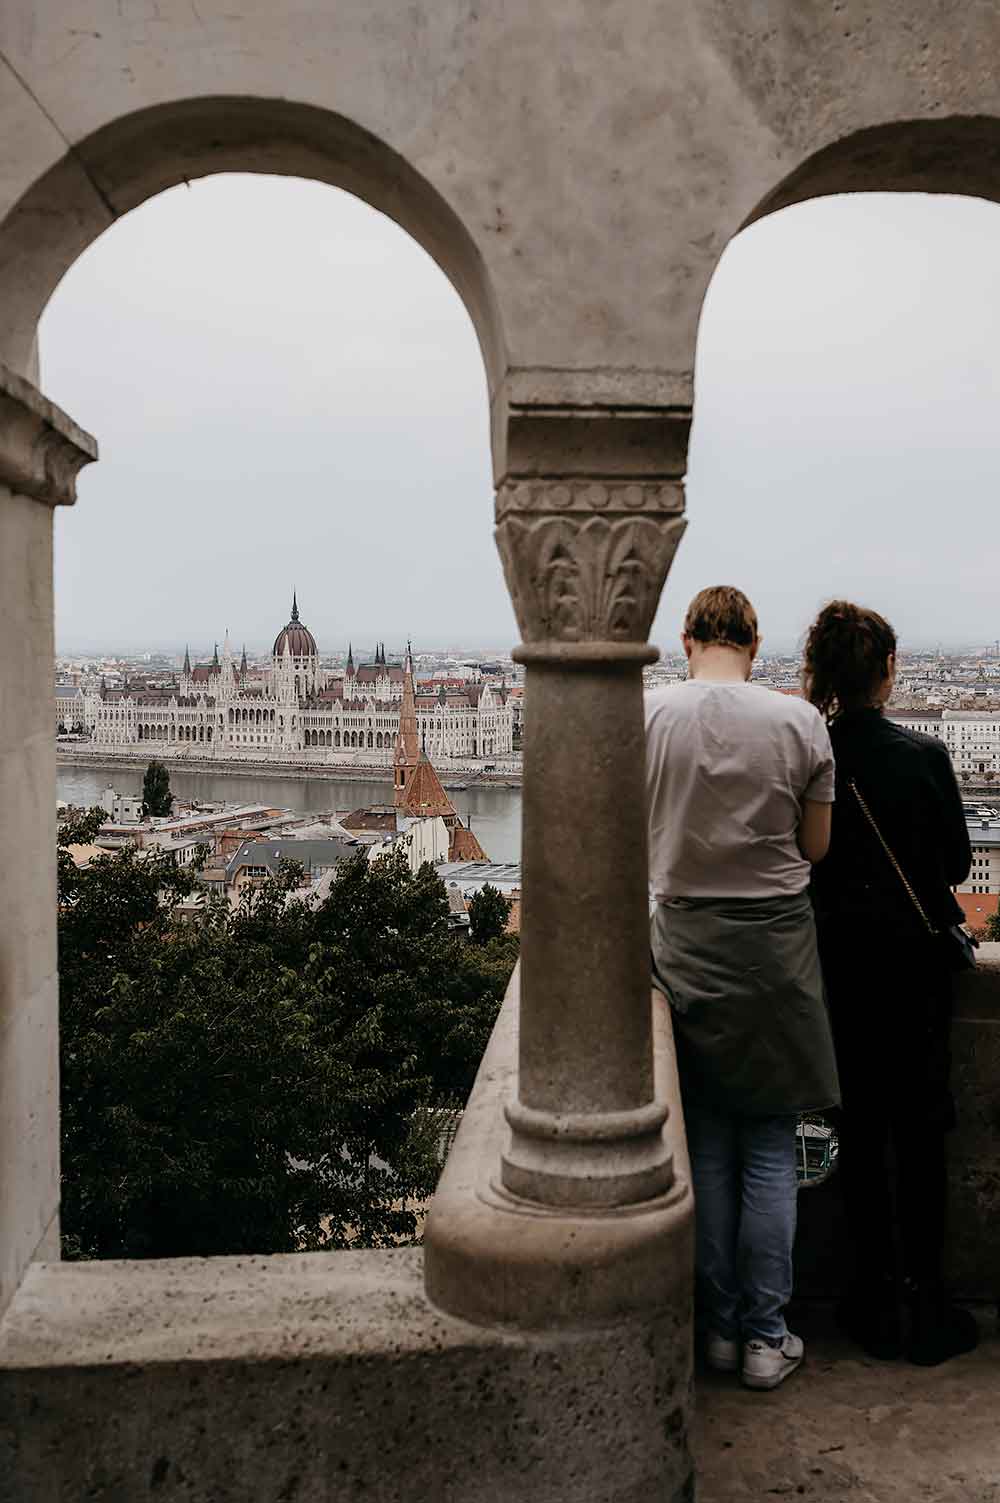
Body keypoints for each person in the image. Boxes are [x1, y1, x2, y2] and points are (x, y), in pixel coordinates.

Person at [646, 585, 839, 1390]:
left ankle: (719, 1331)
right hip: (774, 948)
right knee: (768, 1144)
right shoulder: (799, 722)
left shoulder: (649, 716)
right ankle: (766, 1337)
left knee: (710, 1145)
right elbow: (817, 845)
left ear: (688, 638)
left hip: (684, 941)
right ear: (755, 645)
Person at [805, 600, 978, 1366]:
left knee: (863, 1136)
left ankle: (872, 1300)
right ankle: (927, 1302)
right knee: (921, 1138)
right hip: (916, 978)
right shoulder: (925, 754)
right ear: (885, 672)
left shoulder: (813, 754)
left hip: (844, 973)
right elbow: (957, 866)